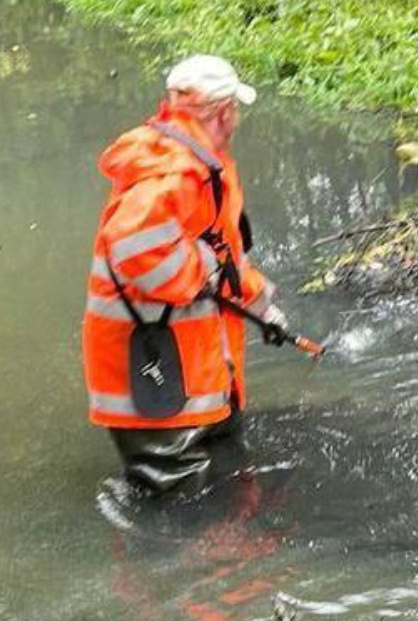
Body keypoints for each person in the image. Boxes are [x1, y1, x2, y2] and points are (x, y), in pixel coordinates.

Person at [82, 55, 287, 494]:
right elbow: (135, 244)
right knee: (175, 501)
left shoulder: (194, 161)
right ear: (224, 111)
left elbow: (221, 257)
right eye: (236, 109)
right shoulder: (175, 170)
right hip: (155, 368)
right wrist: (203, 272)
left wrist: (261, 304)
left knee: (221, 481)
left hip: (191, 368)